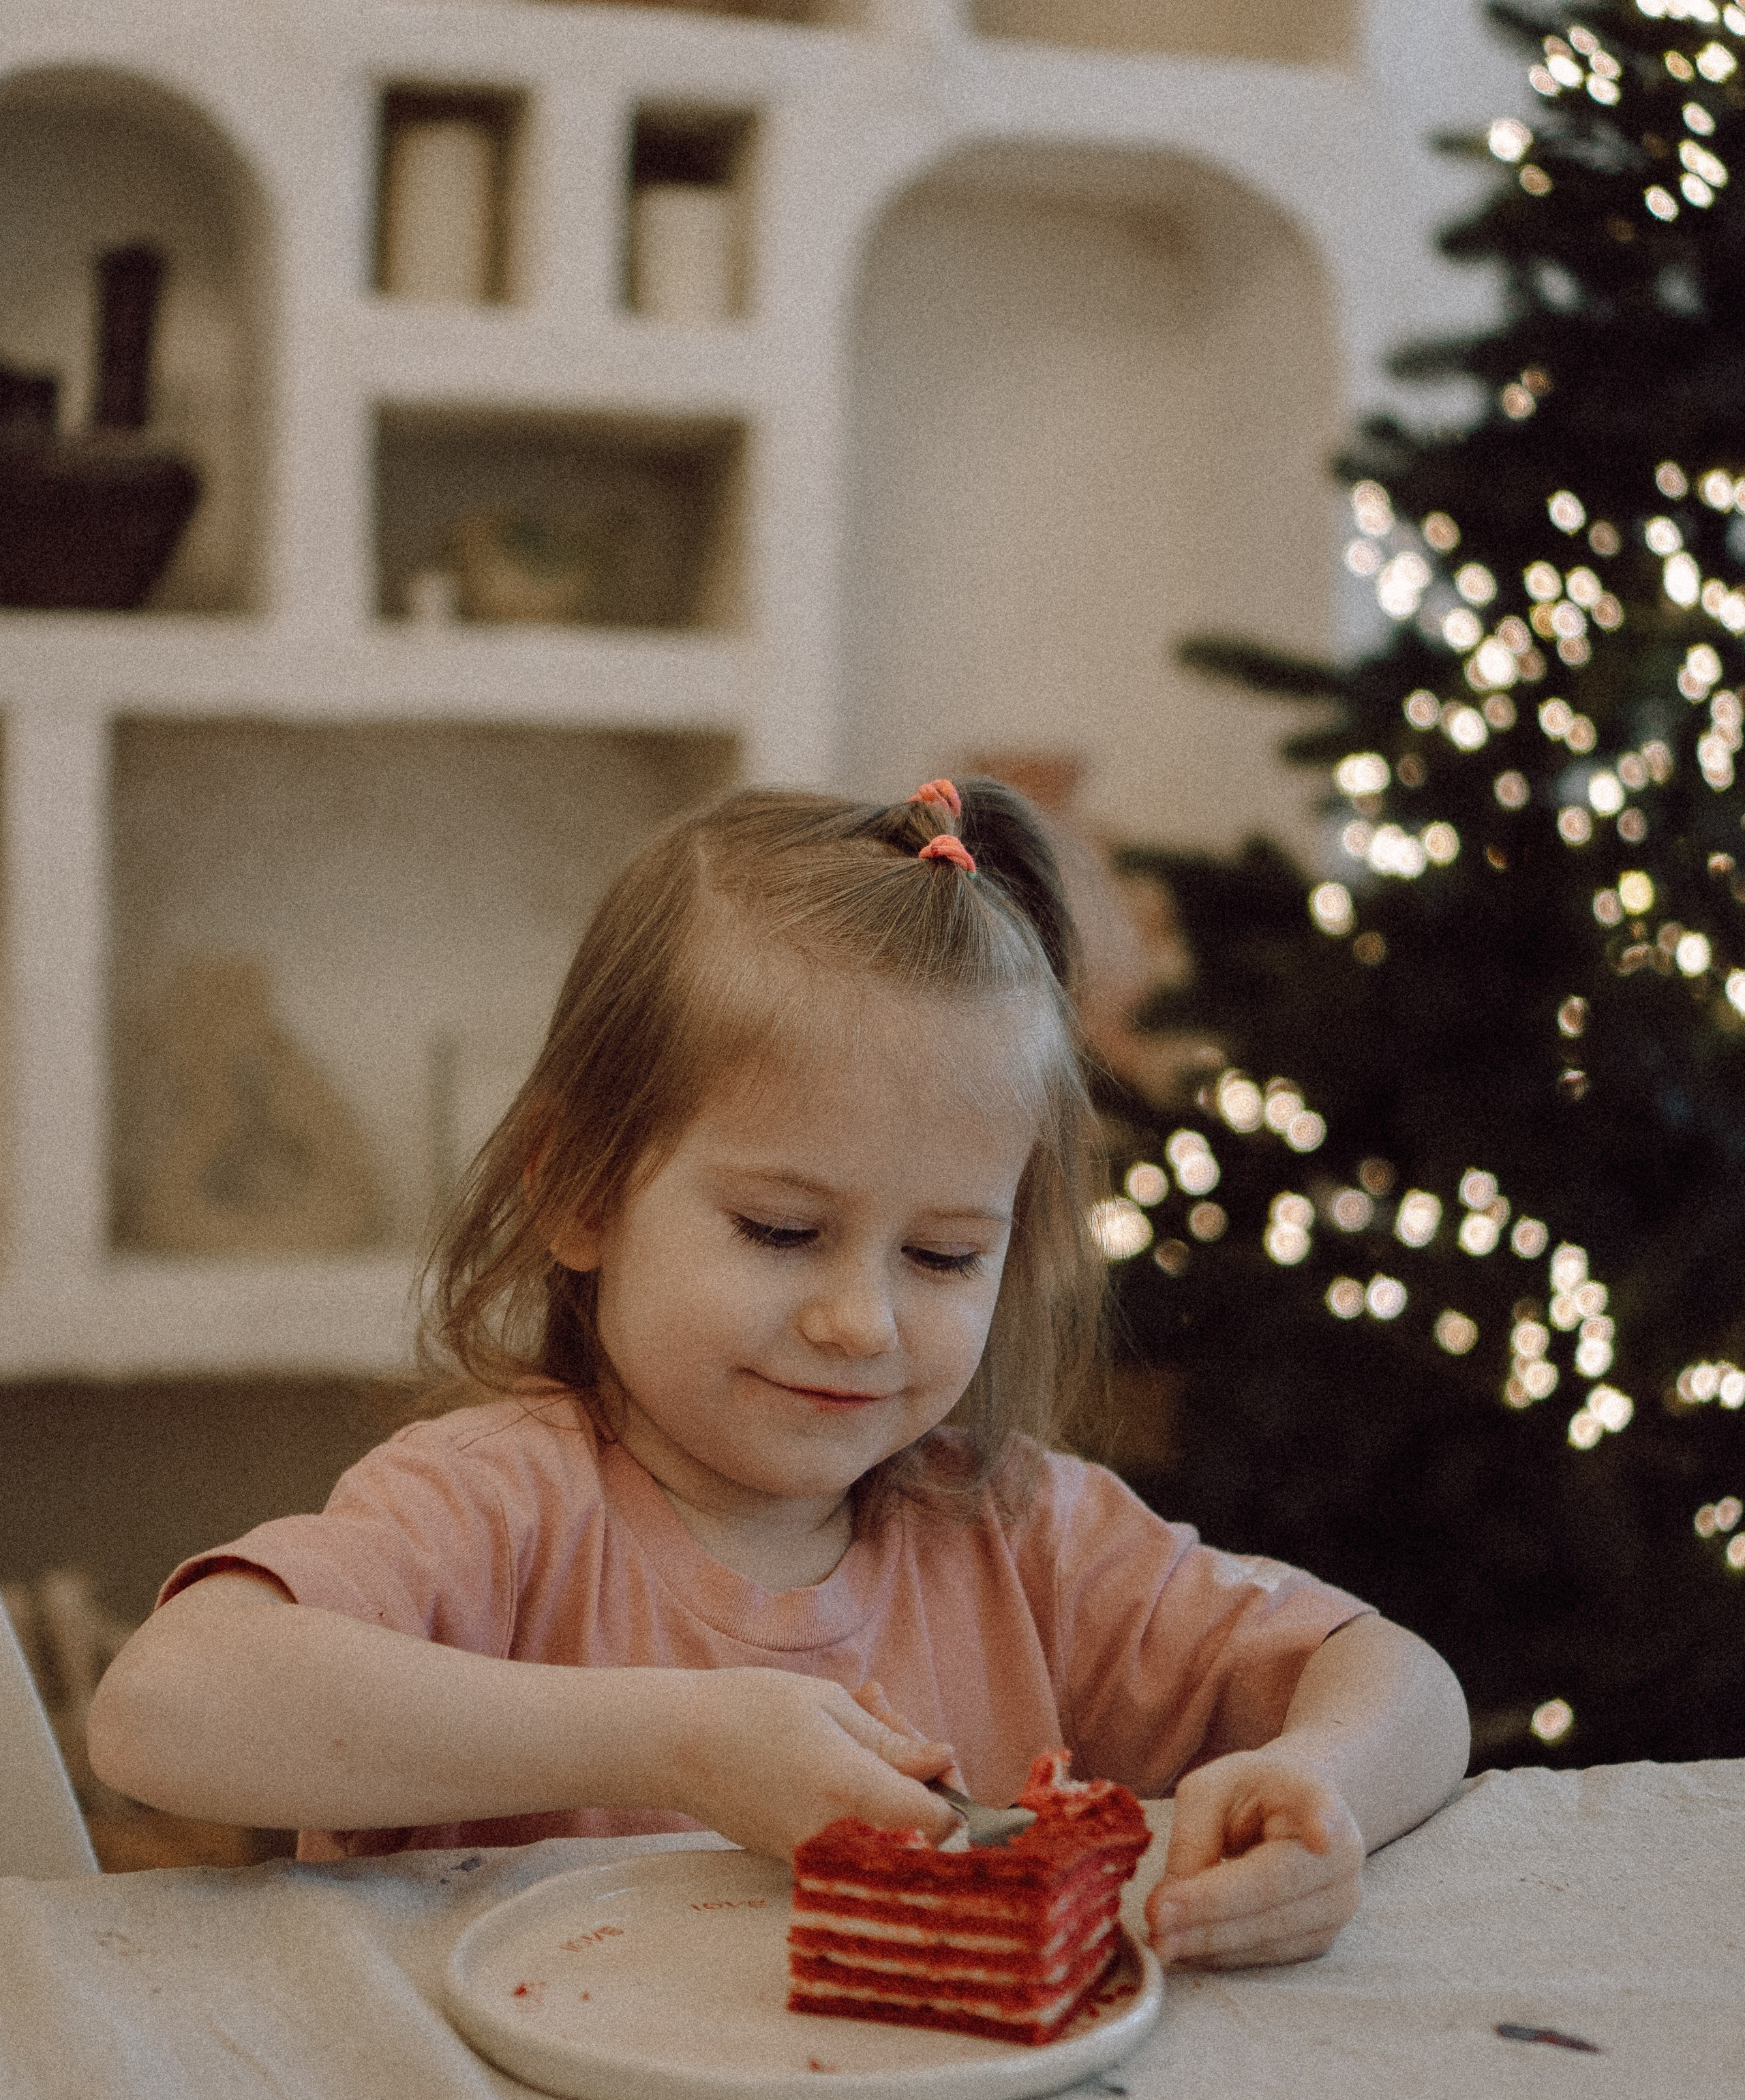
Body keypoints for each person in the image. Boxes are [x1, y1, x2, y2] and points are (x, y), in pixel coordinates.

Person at [91, 779, 1469, 1969]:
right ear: (579, 1191)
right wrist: (677, 1744)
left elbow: (1396, 1677)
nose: (858, 1320)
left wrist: (1307, 1786)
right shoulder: (493, 1504)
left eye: (940, 1258)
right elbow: (165, 1709)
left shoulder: (1019, 1535)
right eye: (781, 1231)